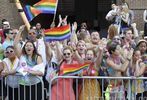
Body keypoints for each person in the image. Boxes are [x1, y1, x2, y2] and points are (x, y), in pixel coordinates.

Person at [14, 26, 45, 100]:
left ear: (33, 48)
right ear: (24, 48)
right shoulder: (21, 56)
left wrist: (29, 71)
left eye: (30, 46)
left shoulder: (38, 57)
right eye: (27, 46)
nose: (28, 47)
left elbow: (41, 72)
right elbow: (15, 45)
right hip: (23, 85)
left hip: (36, 85)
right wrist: (20, 31)